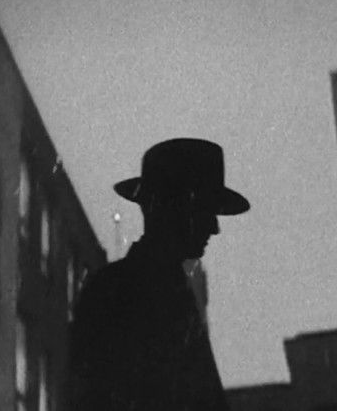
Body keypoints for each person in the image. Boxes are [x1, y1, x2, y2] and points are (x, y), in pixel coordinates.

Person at [68, 138, 250, 411]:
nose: (214, 228)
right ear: (175, 209)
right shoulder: (126, 294)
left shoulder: (128, 290)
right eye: (205, 211)